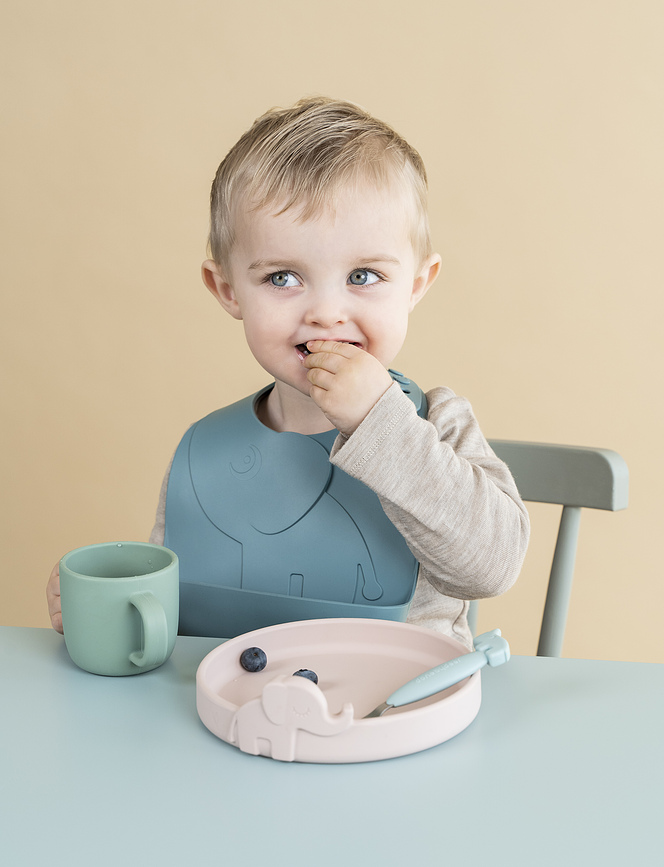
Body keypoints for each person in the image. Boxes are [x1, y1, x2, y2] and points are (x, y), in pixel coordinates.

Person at [47, 96, 529, 648]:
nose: (326, 312)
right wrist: (115, 610)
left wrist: (378, 424)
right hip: (239, 701)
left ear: (416, 285)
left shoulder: (435, 424)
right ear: (228, 290)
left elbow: (493, 567)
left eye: (364, 276)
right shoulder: (207, 451)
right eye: (282, 278)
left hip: (405, 695)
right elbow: (185, 613)